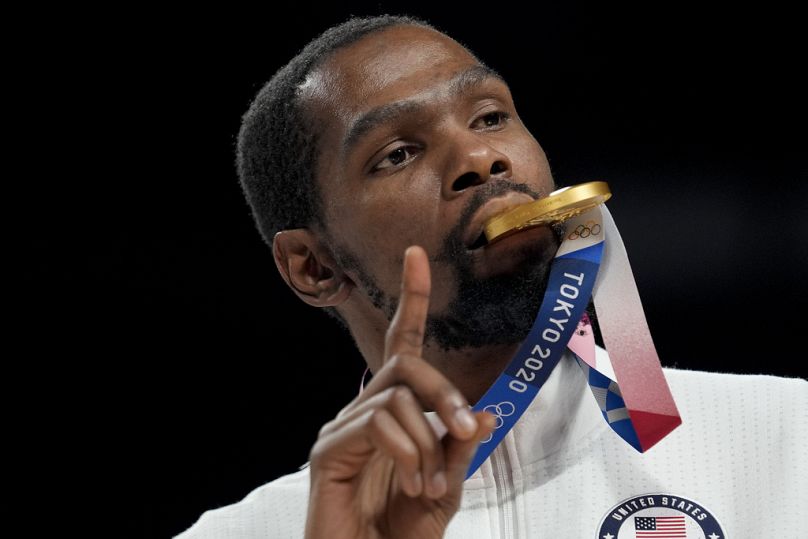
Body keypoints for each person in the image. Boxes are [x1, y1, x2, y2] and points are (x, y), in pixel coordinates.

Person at [176, 14, 807, 539]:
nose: (481, 158)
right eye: (399, 153)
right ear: (314, 267)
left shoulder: (786, 438)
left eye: (489, 116)